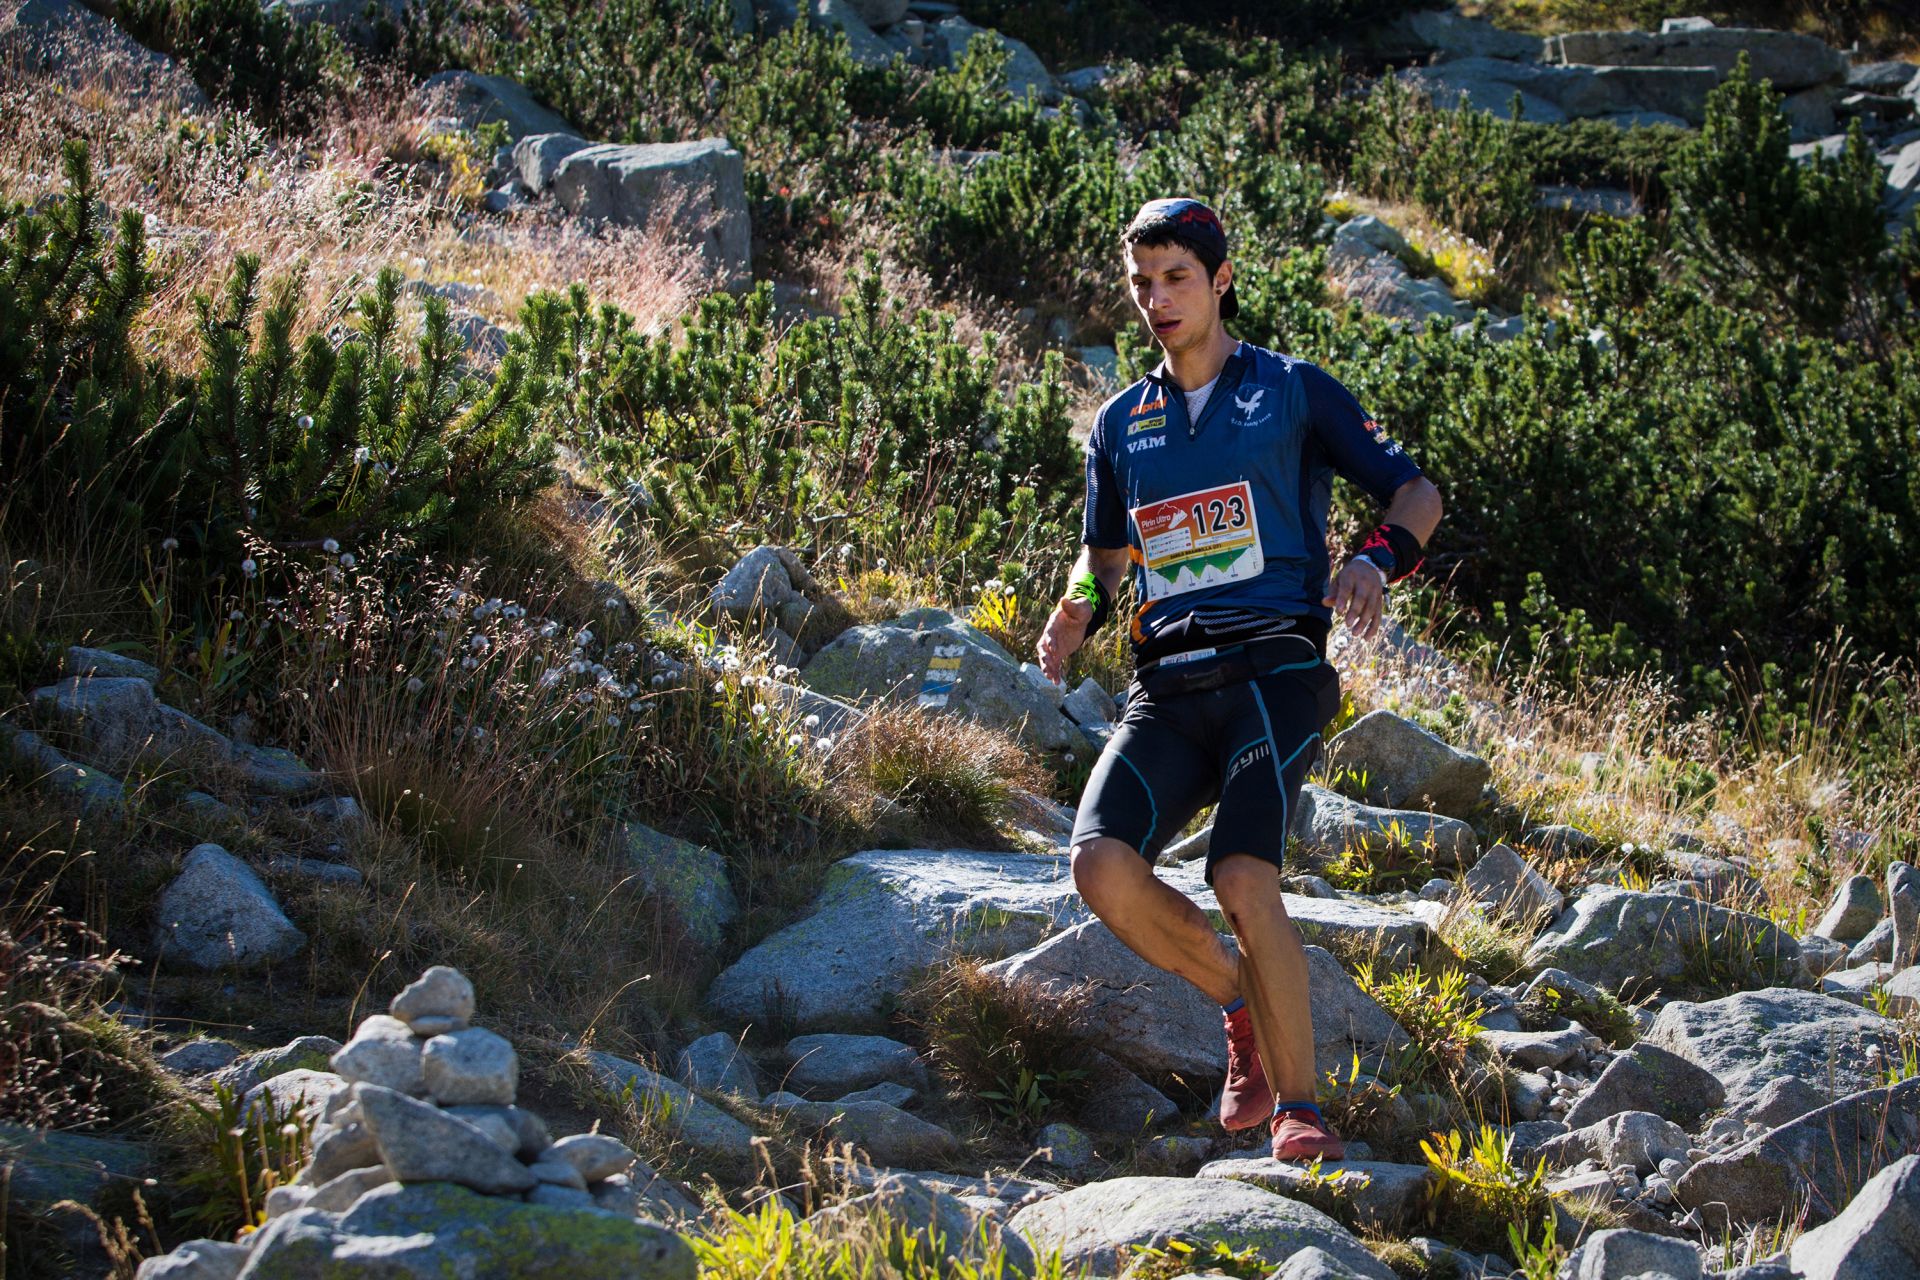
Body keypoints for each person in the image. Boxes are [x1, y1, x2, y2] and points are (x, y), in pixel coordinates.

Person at [1035, 197, 1443, 1161]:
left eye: (1176, 278)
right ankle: (1238, 1003)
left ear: (1219, 281)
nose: (1156, 299)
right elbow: (1103, 555)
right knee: (1098, 864)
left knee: (1242, 872)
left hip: (1275, 670)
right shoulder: (1119, 423)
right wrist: (1075, 607)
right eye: (1141, 282)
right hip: (1167, 685)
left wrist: (1375, 560)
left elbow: (1416, 492)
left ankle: (1299, 1110)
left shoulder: (1295, 390)